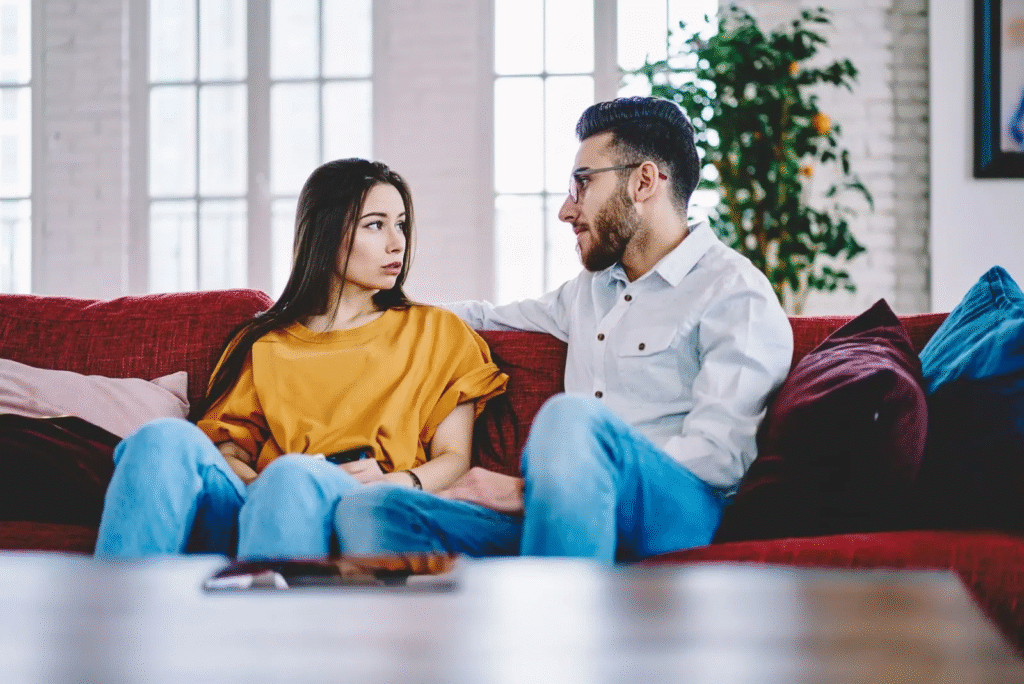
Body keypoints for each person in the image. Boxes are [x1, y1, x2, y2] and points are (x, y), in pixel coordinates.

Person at [333, 96, 794, 563]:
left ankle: (559, 628)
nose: (566, 211)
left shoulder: (734, 292)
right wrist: (355, 309)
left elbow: (719, 459)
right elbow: (482, 317)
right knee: (372, 510)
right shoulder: (590, 292)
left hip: (682, 513)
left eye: (582, 184)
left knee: (570, 419)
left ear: (644, 181)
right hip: (564, 510)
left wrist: (532, 488)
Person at [94, 159, 507, 559]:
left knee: (293, 474)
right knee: (160, 438)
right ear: (325, 234)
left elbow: (455, 457)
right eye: (375, 225)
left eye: (400, 224)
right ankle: (119, 617)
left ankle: (275, 623)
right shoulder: (267, 342)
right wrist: (260, 485)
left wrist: (397, 482)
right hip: (255, 503)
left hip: (354, 502)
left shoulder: (437, 332)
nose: (397, 242)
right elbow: (230, 450)